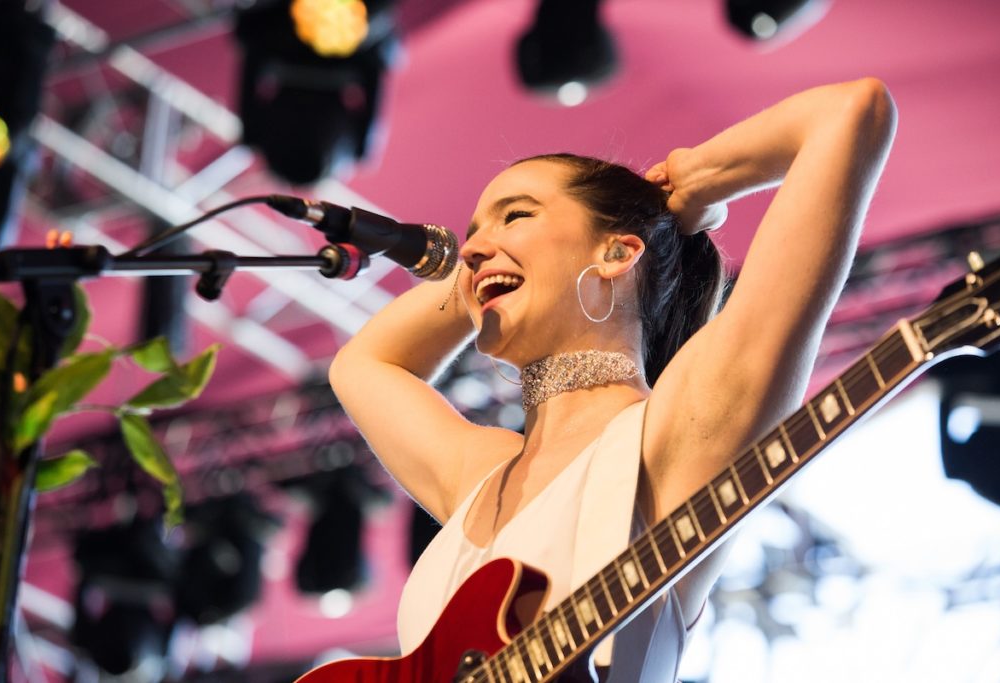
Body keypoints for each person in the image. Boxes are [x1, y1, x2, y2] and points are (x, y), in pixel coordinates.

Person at [329, 78, 897, 681]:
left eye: (516, 214)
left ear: (616, 253)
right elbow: (362, 364)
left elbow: (849, 112)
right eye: (471, 234)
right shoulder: (477, 472)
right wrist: (486, 263)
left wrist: (696, 181)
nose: (472, 249)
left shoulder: (686, 424)